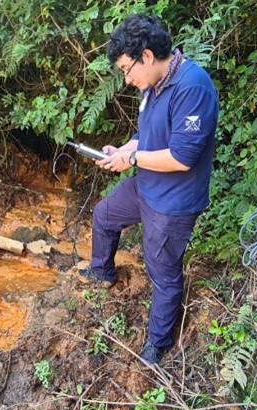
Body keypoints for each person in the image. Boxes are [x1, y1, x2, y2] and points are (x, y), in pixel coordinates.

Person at [80, 14, 219, 366]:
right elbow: (148, 136)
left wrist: (135, 159)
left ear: (146, 56)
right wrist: (125, 150)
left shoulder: (193, 87)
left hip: (173, 203)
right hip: (146, 186)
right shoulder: (153, 85)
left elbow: (182, 157)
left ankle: (158, 344)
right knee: (104, 215)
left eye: (127, 69)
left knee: (163, 272)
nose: (126, 80)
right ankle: (102, 272)